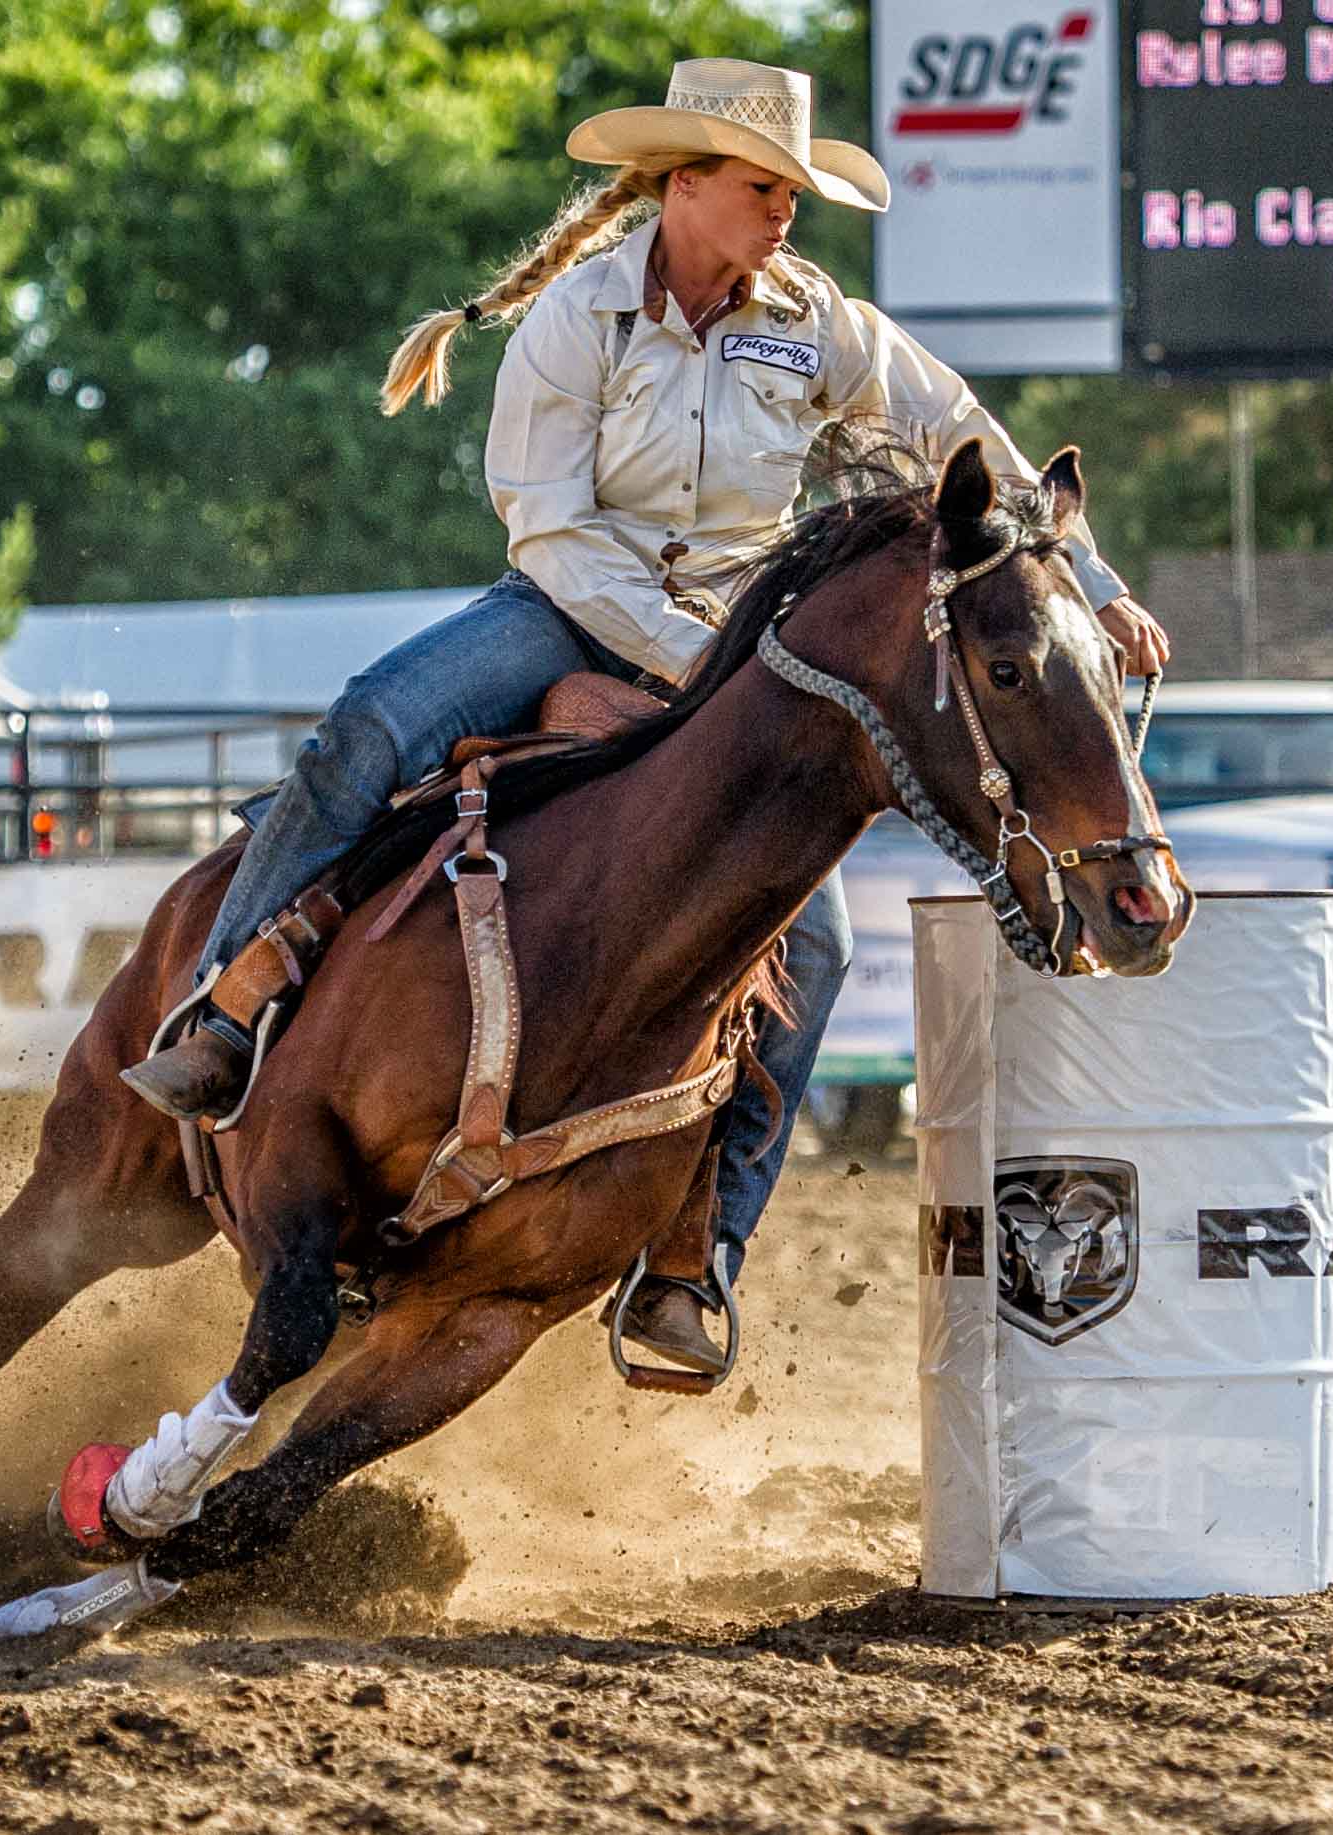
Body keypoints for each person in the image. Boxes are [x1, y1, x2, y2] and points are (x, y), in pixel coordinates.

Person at [120, 58, 1169, 1372]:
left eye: (794, 190)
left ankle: (694, 1254)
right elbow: (552, 530)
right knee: (364, 741)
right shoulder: (581, 319)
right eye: (761, 186)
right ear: (684, 187)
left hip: (744, 652)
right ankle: (225, 1009)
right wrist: (697, 659)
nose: (787, 212)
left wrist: (1093, 581)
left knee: (817, 948)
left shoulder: (813, 320)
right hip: (567, 605)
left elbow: (958, 431)